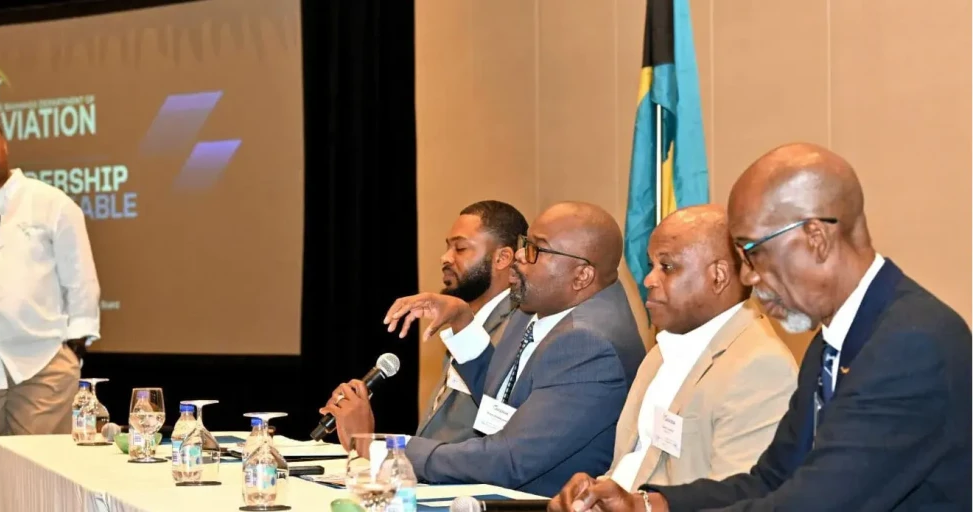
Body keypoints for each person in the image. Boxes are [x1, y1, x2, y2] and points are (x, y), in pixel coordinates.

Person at [549, 143, 972, 511]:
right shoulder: (833, 341)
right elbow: (771, 480)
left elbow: (814, 506)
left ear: (815, 239)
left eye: (753, 252)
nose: (748, 276)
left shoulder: (911, 344)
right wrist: (647, 504)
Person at [378, 201, 646, 496]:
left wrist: (398, 450)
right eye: (524, 243)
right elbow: (503, 399)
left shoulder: (588, 345)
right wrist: (462, 321)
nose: (518, 255)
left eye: (536, 250)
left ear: (581, 275)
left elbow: (509, 460)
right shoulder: (537, 306)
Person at [550, 204, 797, 507]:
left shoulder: (760, 366)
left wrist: (641, 505)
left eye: (667, 267)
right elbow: (631, 467)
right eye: (651, 265)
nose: (648, 280)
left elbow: (739, 503)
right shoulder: (662, 350)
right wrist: (594, 495)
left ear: (718, 276)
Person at [0, 112, 101, 512]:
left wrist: (74, 348)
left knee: (40, 481)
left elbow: (80, 277)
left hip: (42, 366)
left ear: (4, 145)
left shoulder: (49, 202)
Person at [319, 200, 528, 445]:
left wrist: (366, 442)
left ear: (503, 258)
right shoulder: (465, 325)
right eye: (447, 247)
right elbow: (437, 438)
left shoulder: (519, 328)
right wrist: (362, 432)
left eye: (460, 248)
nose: (445, 258)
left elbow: (505, 432)